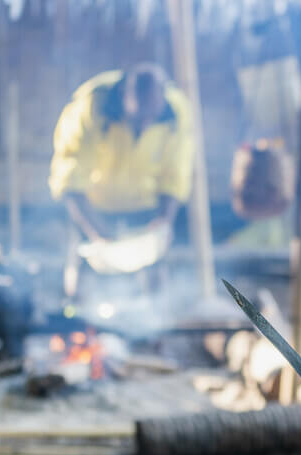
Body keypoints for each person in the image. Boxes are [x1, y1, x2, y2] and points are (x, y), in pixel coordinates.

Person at [48, 64, 194, 296]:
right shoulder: (90, 107)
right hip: (93, 205)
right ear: (124, 97)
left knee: (155, 283)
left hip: (145, 206)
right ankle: (78, 321)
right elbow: (70, 177)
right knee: (81, 284)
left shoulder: (176, 112)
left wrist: (164, 222)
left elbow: (175, 174)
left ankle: (155, 326)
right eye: (138, 118)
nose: (145, 125)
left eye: (152, 118)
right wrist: (97, 233)